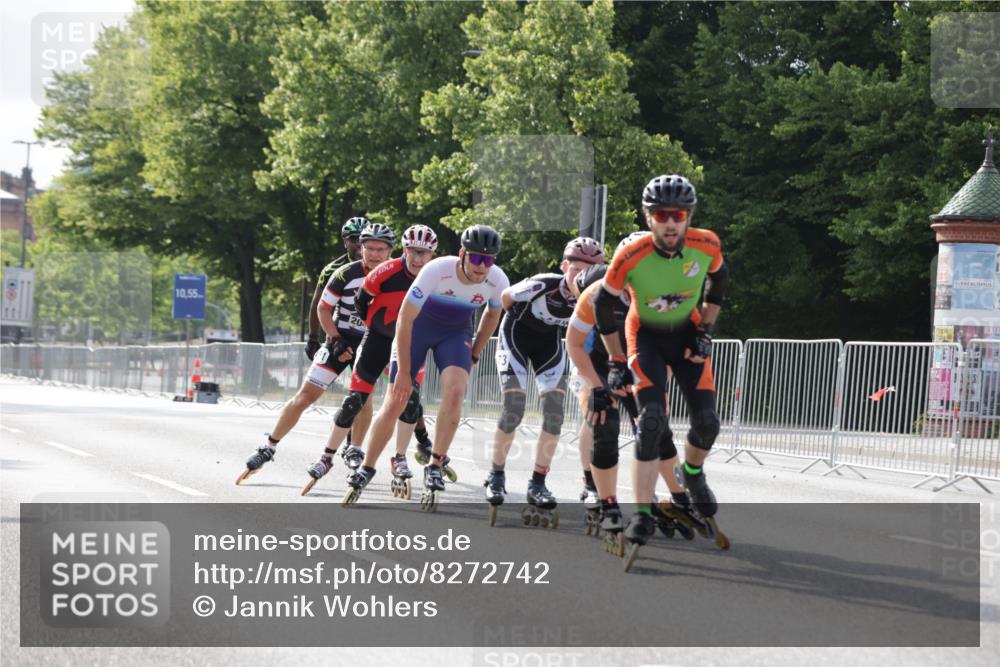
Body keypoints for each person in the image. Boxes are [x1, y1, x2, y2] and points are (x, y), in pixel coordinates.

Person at [593, 175, 730, 564]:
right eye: (661, 214)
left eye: (679, 214)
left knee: (708, 424)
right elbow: (605, 307)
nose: (671, 222)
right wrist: (617, 361)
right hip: (645, 339)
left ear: (689, 217)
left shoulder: (707, 244)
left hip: (686, 335)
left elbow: (719, 282)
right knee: (652, 421)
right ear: (648, 217)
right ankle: (644, 512)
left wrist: (706, 330)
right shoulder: (630, 254)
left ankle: (693, 473)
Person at [344, 224, 509, 511]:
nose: (483, 267)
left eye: (489, 260)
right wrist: (405, 373)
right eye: (477, 259)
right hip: (416, 329)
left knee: (456, 393)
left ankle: (435, 464)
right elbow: (404, 320)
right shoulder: (437, 270)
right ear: (462, 255)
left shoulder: (497, 280)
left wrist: (476, 352)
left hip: (455, 334)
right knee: (397, 398)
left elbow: (493, 314)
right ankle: (367, 468)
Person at [236, 219, 390, 484]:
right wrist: (332, 338)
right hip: (341, 337)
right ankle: (268, 447)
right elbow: (322, 307)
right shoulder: (343, 273)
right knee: (306, 394)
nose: (375, 255)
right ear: (361, 248)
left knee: (363, 398)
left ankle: (355, 448)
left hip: (371, 341)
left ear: (389, 251)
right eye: (369, 248)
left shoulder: (395, 274)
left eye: (381, 249)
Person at [302, 225, 437, 496]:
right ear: (403, 249)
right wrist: (373, 328)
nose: (417, 259)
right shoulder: (384, 272)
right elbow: (362, 303)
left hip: (410, 345)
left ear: (433, 254)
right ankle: (326, 457)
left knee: (410, 400)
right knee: (355, 400)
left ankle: (399, 457)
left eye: (424, 253)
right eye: (412, 251)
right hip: (377, 339)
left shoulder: (437, 278)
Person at [484, 237, 604, 526]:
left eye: (590, 270)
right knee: (513, 408)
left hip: (549, 346)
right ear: (564, 266)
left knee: (554, 414)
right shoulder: (543, 283)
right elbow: (505, 299)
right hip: (516, 335)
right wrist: (514, 314)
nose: (581, 276)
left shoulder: (595, 296)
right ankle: (496, 475)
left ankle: (537, 482)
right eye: (576, 269)